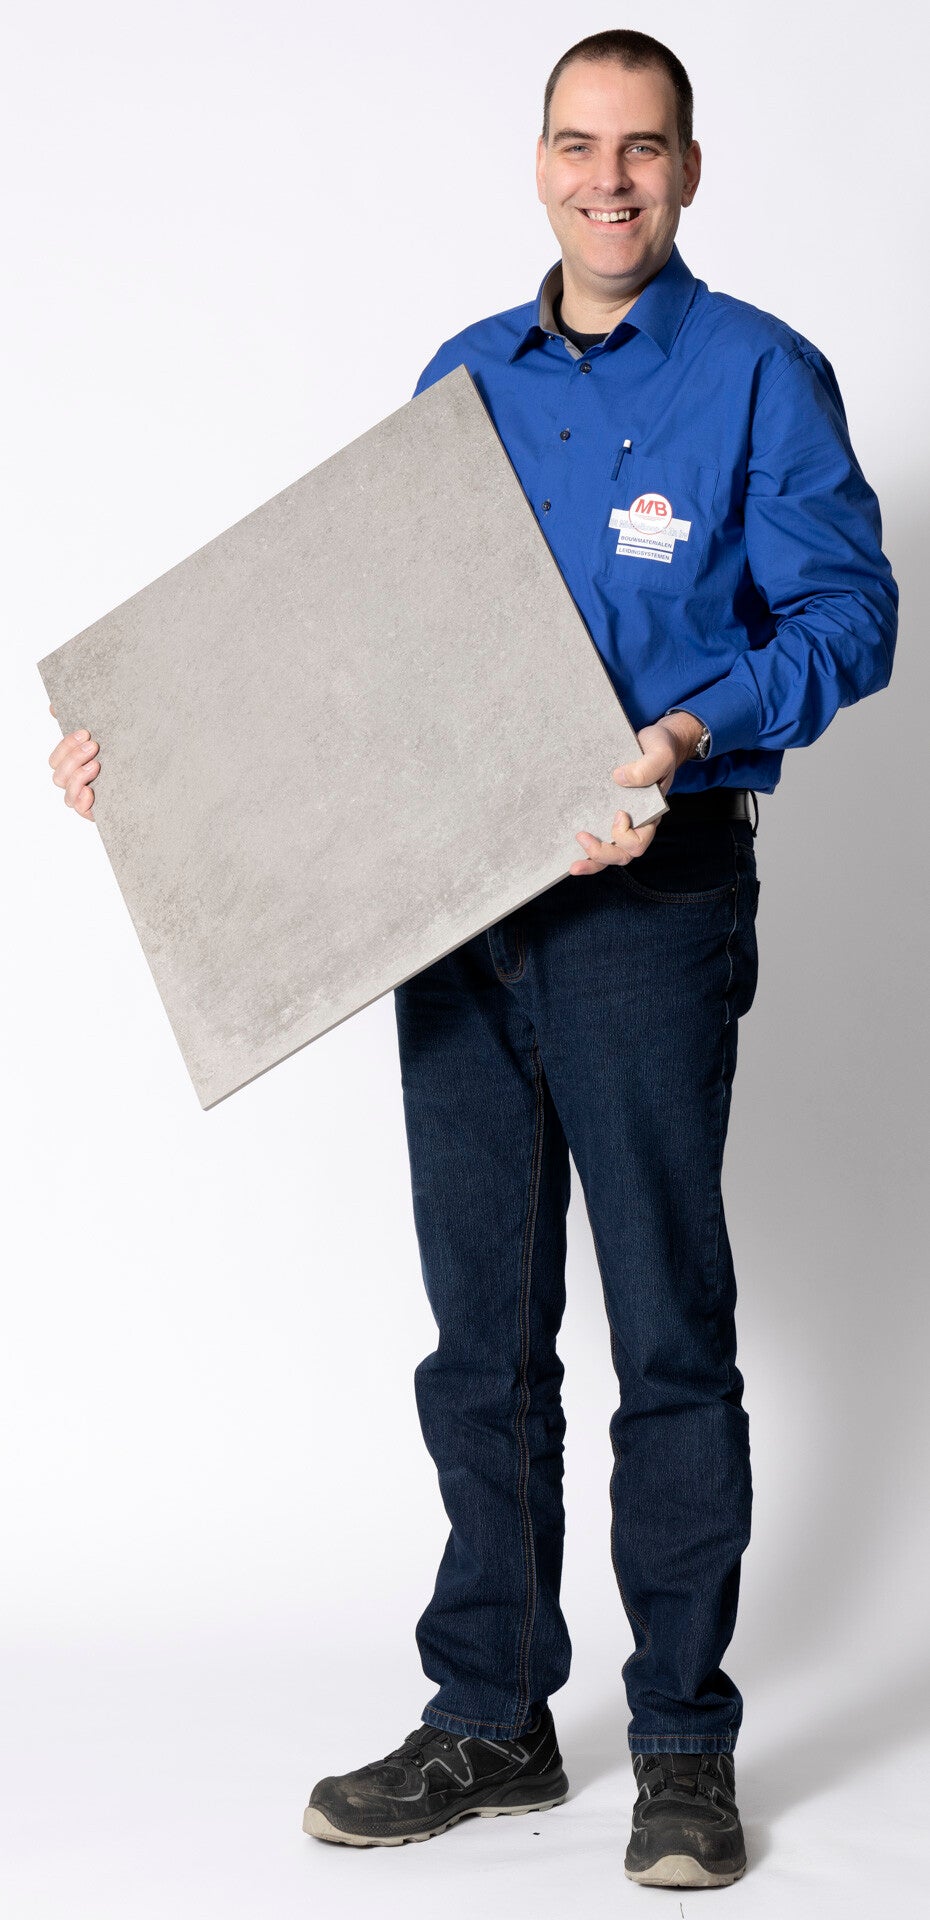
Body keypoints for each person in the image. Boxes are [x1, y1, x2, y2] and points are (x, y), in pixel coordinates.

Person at [47, 29, 898, 1890]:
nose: (609, 181)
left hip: (650, 910)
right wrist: (153, 767)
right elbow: (358, 659)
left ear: (690, 169)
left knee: (666, 1333)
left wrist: (681, 735)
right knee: (482, 1345)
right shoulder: (462, 378)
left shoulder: (760, 373)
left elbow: (851, 619)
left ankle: (680, 1747)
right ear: (537, 163)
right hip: (456, 915)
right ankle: (493, 1720)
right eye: (578, 146)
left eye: (642, 149)